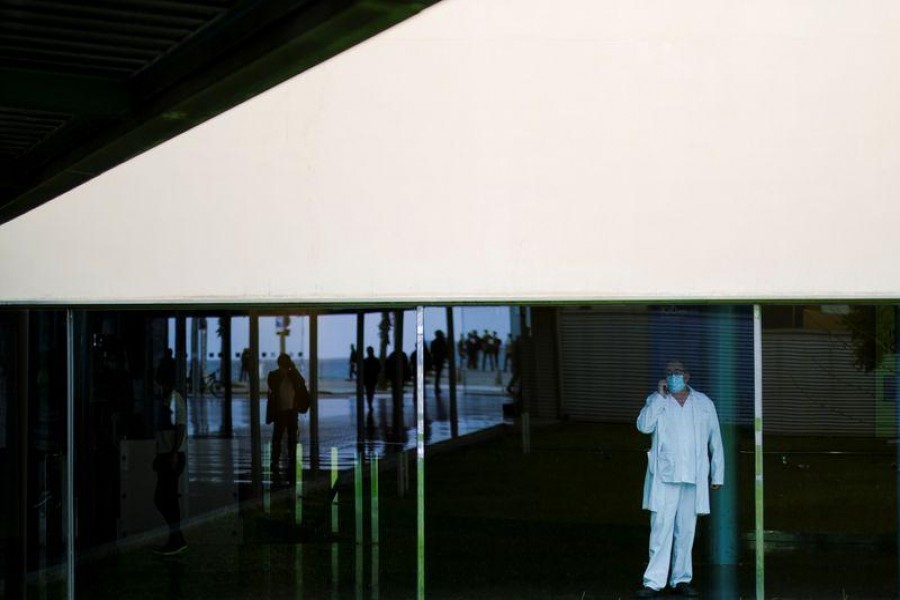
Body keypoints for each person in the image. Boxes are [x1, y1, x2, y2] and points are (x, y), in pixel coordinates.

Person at [635, 360, 724, 598]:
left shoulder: (704, 403)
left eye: (678, 372)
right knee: (661, 528)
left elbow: (715, 439)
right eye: (669, 372)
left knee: (686, 531)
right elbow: (643, 426)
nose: (674, 376)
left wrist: (717, 474)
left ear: (687, 375)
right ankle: (653, 581)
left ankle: (681, 579)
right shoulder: (657, 401)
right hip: (665, 475)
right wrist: (659, 397)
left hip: (693, 477)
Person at [154, 376, 187, 555]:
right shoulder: (165, 400)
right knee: (165, 498)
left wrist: (174, 452)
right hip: (166, 455)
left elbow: (180, 427)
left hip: (172, 456)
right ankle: (176, 537)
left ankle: (176, 538)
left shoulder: (175, 399)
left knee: (165, 498)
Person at [265, 354, 308, 486]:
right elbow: (272, 385)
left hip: (292, 410)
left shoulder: (293, 375)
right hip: (280, 411)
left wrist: (293, 369)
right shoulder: (273, 375)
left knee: (292, 436)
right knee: (277, 437)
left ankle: (292, 458)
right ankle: (275, 460)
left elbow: (302, 382)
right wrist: (283, 372)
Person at [363, 346, 380, 412]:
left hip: (369, 379)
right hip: (371, 379)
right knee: (371, 392)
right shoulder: (375, 360)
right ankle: (370, 404)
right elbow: (379, 369)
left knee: (369, 392)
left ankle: (370, 403)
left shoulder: (366, 361)